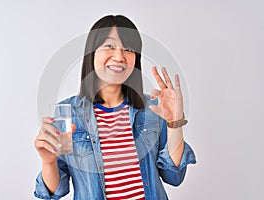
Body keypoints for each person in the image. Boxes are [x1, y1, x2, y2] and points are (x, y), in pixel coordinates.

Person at [34, 15, 196, 200]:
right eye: (109, 46)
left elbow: (174, 176)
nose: (119, 57)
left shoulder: (151, 107)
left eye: (128, 49)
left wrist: (175, 122)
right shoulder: (68, 112)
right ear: (92, 53)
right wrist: (48, 162)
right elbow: (56, 191)